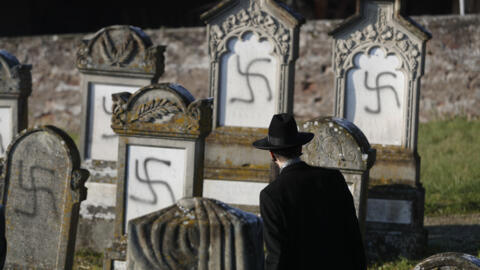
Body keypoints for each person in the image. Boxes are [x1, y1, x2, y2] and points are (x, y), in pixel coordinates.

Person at [253, 113, 366, 270]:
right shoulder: (333, 178)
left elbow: (276, 254)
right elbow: (353, 235)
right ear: (300, 148)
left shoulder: (271, 195)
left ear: (272, 154)